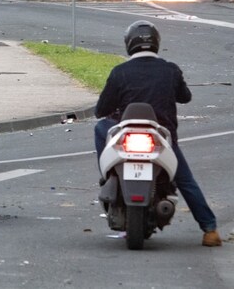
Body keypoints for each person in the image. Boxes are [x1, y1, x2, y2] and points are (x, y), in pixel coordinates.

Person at [94, 20, 222, 247]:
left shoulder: (120, 72)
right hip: (161, 139)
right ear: (156, 43)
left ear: (129, 44)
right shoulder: (170, 70)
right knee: (184, 180)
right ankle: (210, 229)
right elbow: (185, 97)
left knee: (100, 128)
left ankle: (108, 174)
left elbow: (100, 111)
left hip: (126, 139)